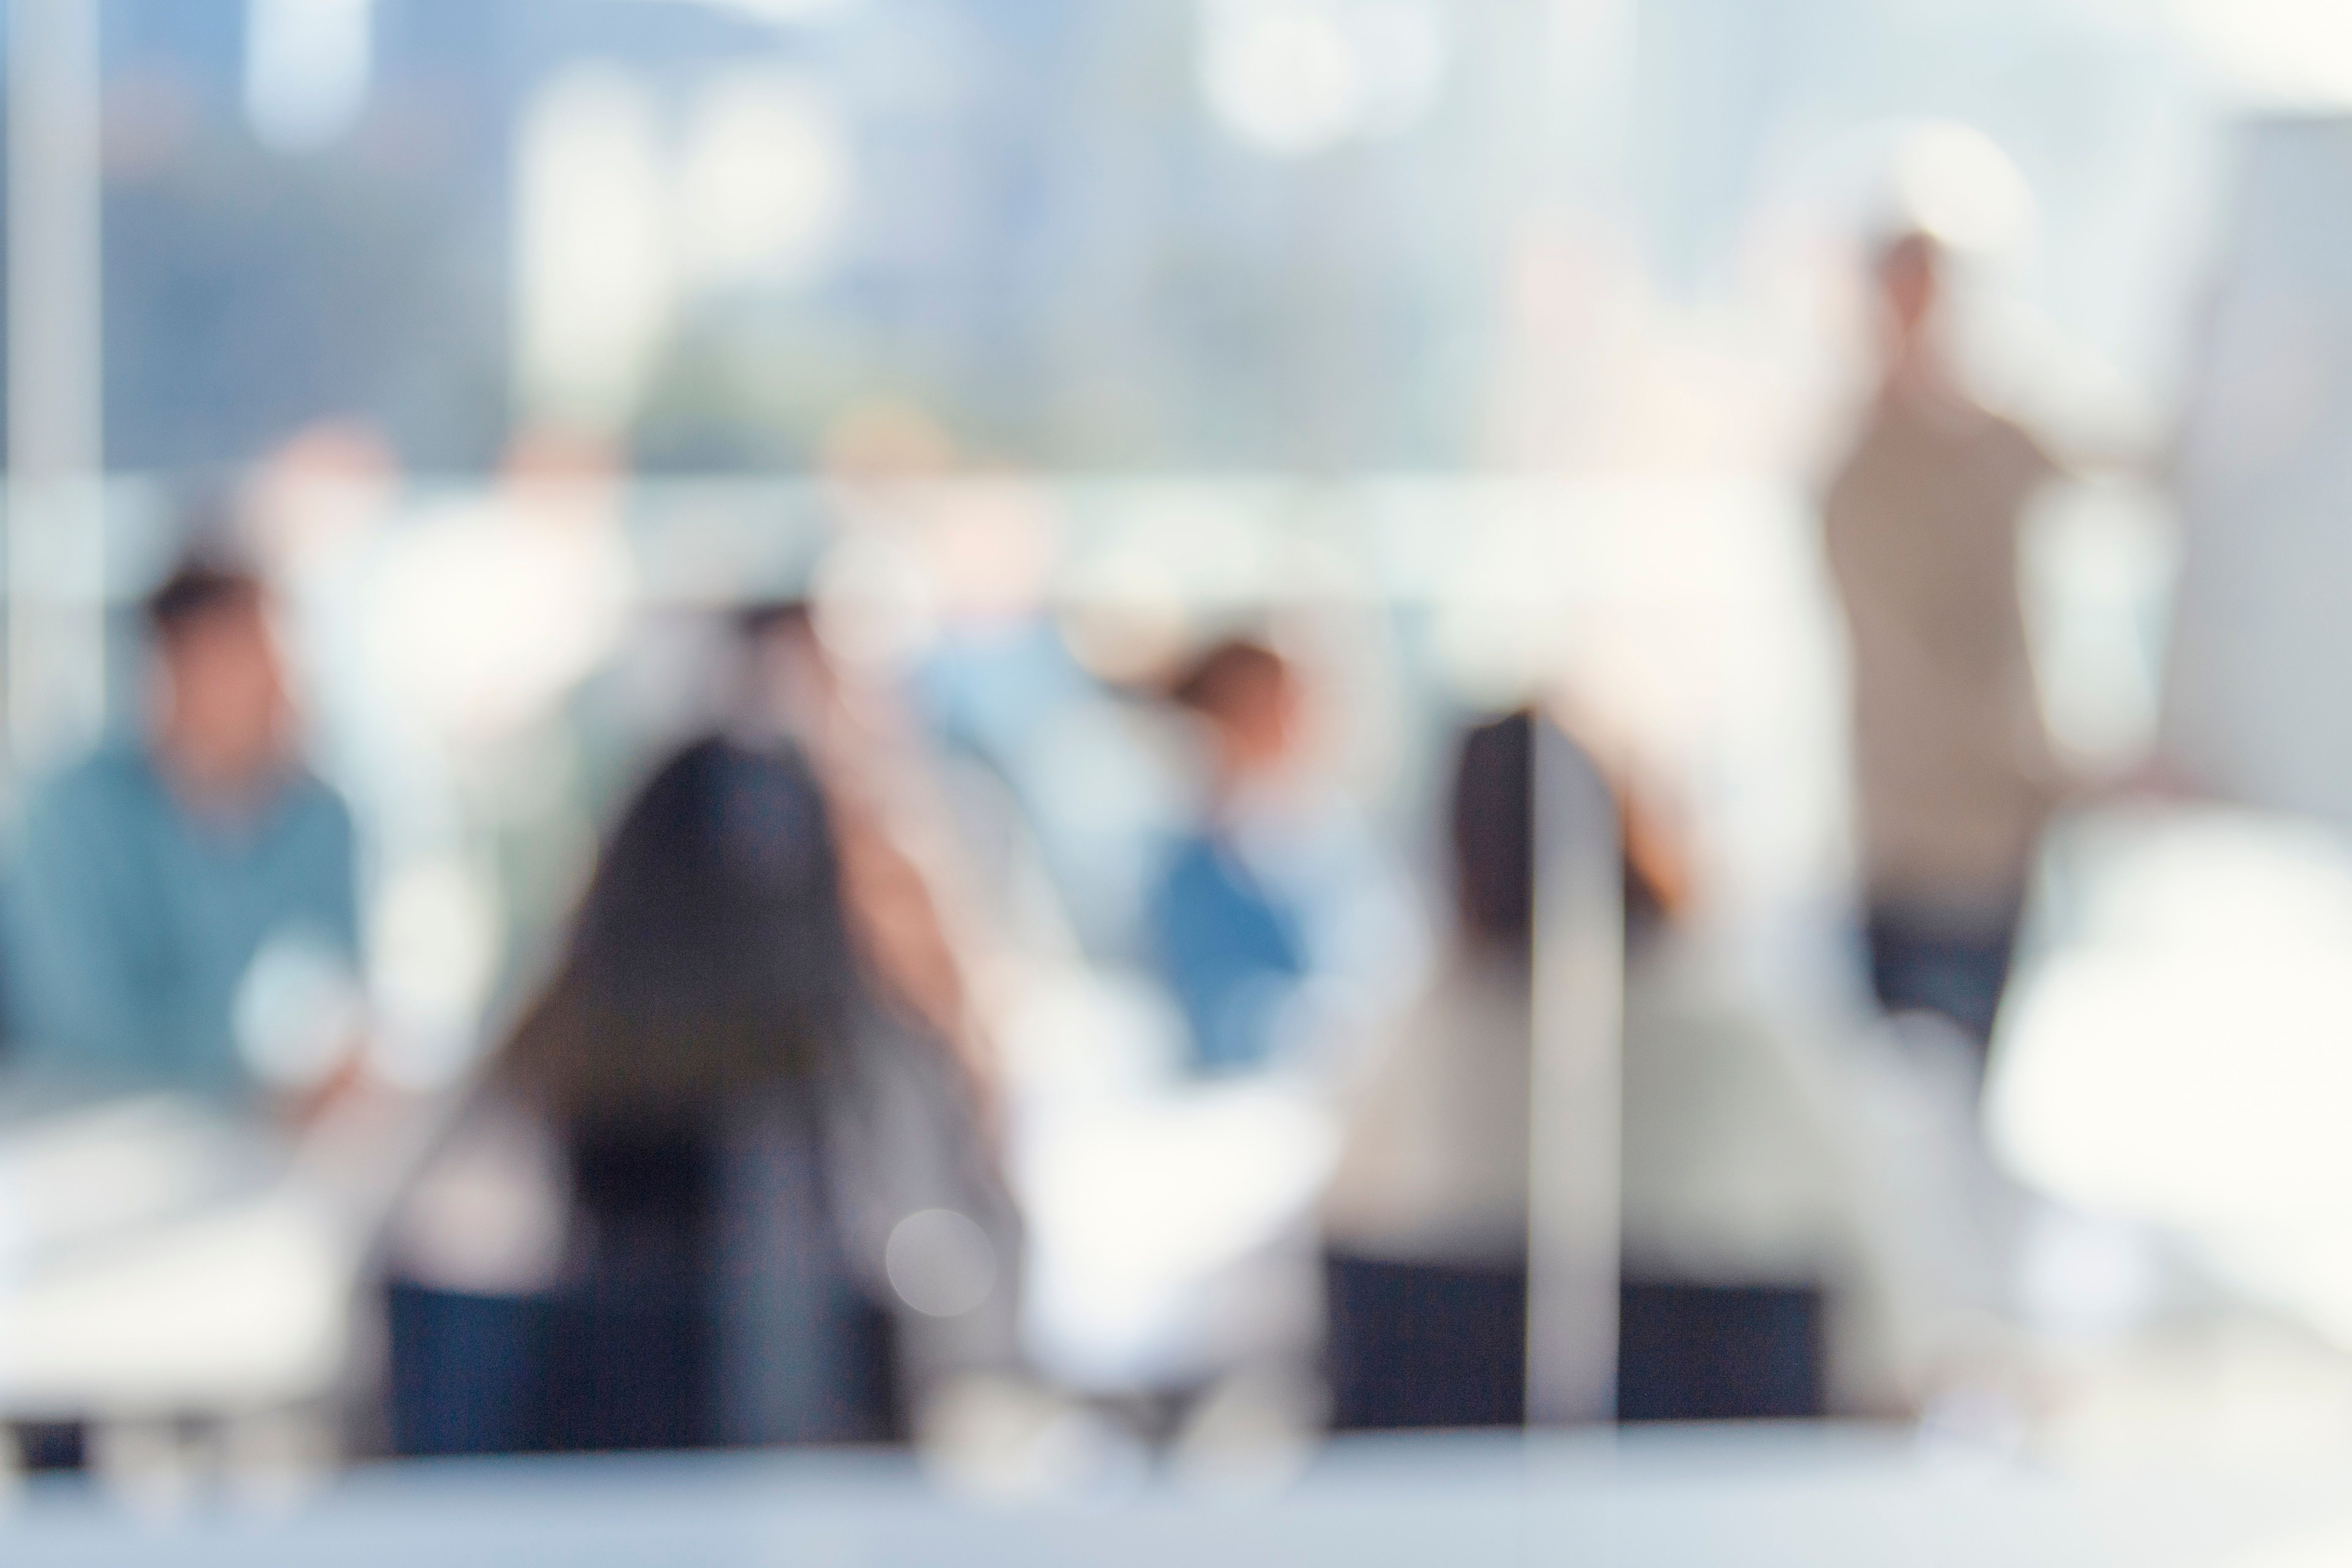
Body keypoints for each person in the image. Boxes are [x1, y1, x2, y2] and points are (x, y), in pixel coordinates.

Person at [1823, 229, 2066, 1059]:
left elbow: (2130, 467)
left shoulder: (1995, 445)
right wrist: (2084, 776)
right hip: (1916, 851)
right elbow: (1926, 686)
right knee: (1923, 1092)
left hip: (2004, 847)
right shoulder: (1861, 479)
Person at [3, 556, 361, 1104]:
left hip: (273, 1140)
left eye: (283, 667)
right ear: (177, 667)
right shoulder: (71, 818)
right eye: (250, 663)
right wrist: (262, 1065)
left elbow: (339, 1007)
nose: (280, 689)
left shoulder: (322, 821)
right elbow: (79, 1031)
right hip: (83, 1131)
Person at [1145, 638, 1423, 1077]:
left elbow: (1393, 949)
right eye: (1265, 708)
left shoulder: (1335, 830)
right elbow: (1205, 997)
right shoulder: (1192, 862)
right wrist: (1304, 1027)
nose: (1288, 724)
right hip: (1249, 1090)